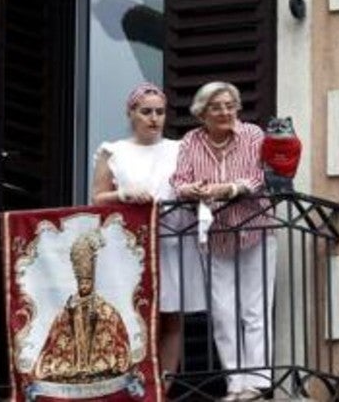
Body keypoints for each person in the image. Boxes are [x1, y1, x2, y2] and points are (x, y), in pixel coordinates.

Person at [92, 82, 204, 381]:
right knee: (138, 316)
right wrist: (124, 194)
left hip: (174, 239)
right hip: (131, 245)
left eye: (160, 112)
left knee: (172, 319)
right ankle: (136, 385)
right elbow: (98, 198)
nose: (154, 118)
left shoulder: (180, 150)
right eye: (146, 112)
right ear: (131, 114)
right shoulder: (113, 151)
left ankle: (162, 389)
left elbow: (192, 186)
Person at [171, 82, 274, 402]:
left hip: (255, 228)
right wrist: (193, 191)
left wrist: (227, 189)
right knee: (224, 312)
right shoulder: (191, 141)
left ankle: (257, 382)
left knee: (254, 309)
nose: (225, 112)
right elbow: (179, 182)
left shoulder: (254, 135)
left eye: (231, 105)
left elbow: (260, 177)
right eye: (216, 107)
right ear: (202, 113)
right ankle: (235, 383)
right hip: (214, 234)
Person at [35, 231, 132, 383]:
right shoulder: (69, 306)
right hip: (72, 362)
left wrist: (97, 317)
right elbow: (55, 336)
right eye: (81, 282)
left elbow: (117, 334)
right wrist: (71, 315)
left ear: (92, 282)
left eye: (87, 281)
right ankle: (76, 369)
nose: (84, 285)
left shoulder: (105, 309)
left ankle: (95, 368)